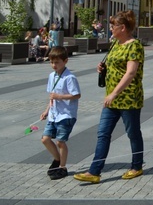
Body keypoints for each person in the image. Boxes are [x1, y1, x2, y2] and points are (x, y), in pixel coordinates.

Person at [74, 10, 144, 184]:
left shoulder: (134, 45)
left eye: (113, 25)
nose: (110, 28)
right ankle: (94, 172)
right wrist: (103, 68)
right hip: (111, 99)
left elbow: (131, 73)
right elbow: (115, 65)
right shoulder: (115, 44)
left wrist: (114, 93)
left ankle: (136, 166)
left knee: (133, 133)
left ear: (123, 27)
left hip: (128, 98)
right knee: (103, 133)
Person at [40, 46, 81, 180]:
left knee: (60, 141)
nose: (54, 65)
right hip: (54, 114)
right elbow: (52, 96)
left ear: (65, 61)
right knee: (45, 139)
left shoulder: (70, 77)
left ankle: (62, 167)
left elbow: (76, 95)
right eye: (51, 62)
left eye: (57, 62)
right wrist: (46, 111)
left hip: (66, 114)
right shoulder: (52, 76)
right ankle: (57, 159)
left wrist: (60, 97)